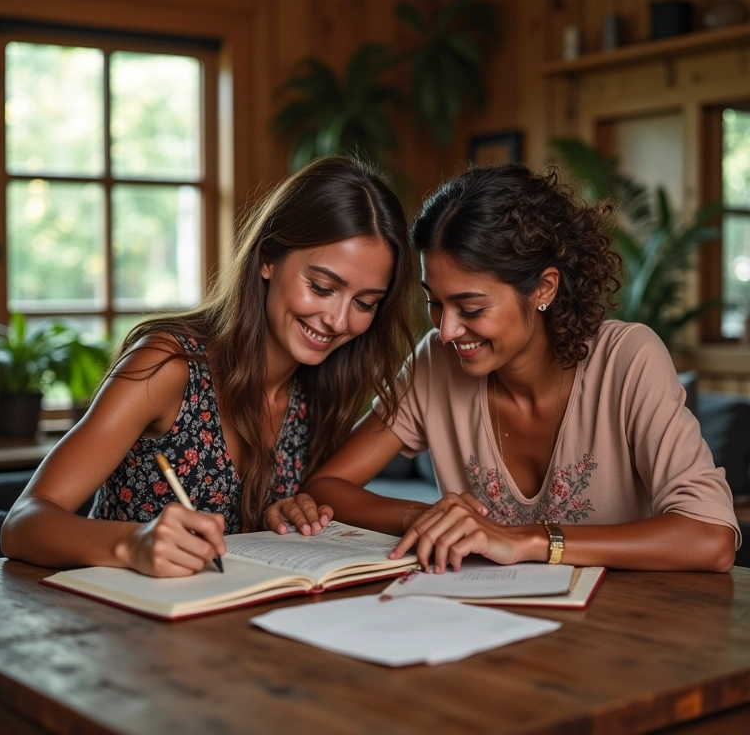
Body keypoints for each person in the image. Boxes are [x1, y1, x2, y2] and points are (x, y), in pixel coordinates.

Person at [302, 162, 739, 573]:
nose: (447, 331)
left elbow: (711, 536)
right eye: (435, 302)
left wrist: (529, 541)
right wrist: (428, 516)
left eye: (471, 308)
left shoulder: (627, 360)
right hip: (481, 615)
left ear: (544, 288)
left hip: (620, 621)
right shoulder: (436, 362)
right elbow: (326, 487)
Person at [1, 155, 415, 577]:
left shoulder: (322, 392)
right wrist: (133, 544)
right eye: (322, 287)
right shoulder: (167, 365)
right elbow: (23, 524)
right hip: (114, 611)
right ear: (268, 258)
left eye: (365, 303)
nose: (339, 321)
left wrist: (289, 512)